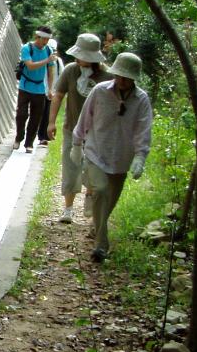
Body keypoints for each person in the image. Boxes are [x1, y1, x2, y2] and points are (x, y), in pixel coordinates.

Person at [71, 52, 153, 262]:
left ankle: (96, 226)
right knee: (100, 190)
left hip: (121, 159)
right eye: (119, 75)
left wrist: (140, 157)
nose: (122, 80)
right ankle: (101, 245)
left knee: (108, 203)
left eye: (127, 77)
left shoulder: (141, 99)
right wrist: (76, 144)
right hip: (96, 153)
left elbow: (143, 130)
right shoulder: (99, 91)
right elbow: (84, 118)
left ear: (134, 78)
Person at [46, 33, 111, 223]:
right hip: (72, 128)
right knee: (70, 167)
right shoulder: (71, 71)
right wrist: (51, 122)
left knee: (93, 168)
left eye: (82, 56)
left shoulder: (107, 76)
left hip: (97, 133)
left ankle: (90, 197)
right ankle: (68, 208)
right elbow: (58, 95)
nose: (77, 58)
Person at [14, 26, 53, 153]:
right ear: (37, 37)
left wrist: (50, 89)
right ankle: (19, 137)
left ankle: (29, 143)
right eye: (43, 39)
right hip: (25, 86)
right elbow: (30, 66)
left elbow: (50, 71)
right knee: (21, 114)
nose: (45, 42)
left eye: (47, 39)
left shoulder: (49, 50)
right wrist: (47, 60)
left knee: (36, 117)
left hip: (40, 88)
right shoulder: (27, 48)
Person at [36, 37, 62, 146]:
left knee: (47, 114)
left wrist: (56, 91)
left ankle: (44, 137)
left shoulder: (58, 62)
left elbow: (61, 75)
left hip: (53, 92)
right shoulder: (43, 61)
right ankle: (38, 135)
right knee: (40, 114)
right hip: (41, 90)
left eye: (54, 50)